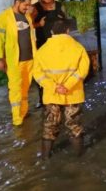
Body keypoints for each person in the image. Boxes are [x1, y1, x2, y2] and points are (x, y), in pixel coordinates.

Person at [33, 19, 90, 159]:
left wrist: (54, 87)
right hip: (73, 94)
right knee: (74, 126)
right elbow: (83, 70)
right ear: (68, 31)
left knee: (49, 127)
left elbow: (37, 73)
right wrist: (67, 85)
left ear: (52, 32)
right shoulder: (78, 48)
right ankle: (79, 158)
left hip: (52, 95)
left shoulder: (42, 50)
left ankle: (45, 159)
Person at [0, 0, 37, 126]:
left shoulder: (27, 17)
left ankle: (23, 112)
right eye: (25, 4)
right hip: (14, 61)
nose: (27, 7)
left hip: (29, 59)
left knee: (25, 88)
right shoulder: (3, 17)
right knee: (16, 89)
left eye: (29, 5)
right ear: (17, 2)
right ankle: (17, 120)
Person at [31, 0, 67, 108]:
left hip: (57, 44)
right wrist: (39, 25)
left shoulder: (59, 6)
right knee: (43, 71)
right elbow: (30, 25)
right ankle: (42, 98)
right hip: (42, 43)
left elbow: (65, 22)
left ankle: (58, 95)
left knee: (57, 70)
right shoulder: (35, 7)